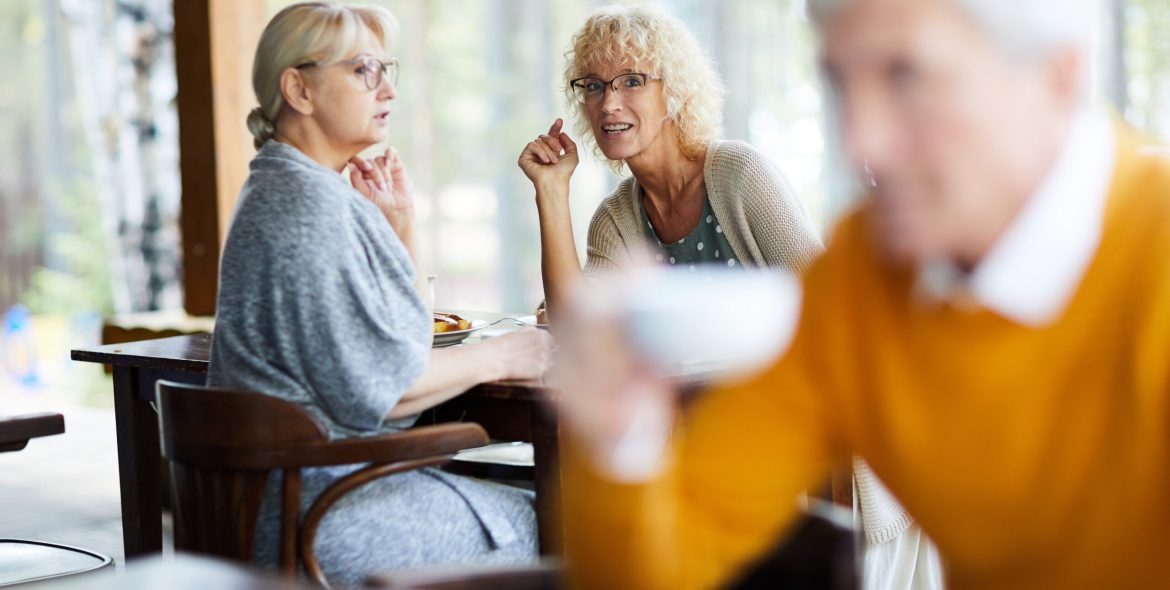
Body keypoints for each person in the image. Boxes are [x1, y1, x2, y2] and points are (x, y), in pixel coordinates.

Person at [554, 0, 1170, 588]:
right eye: (841, 85)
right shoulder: (858, 281)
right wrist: (622, 440)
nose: (861, 142)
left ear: (1056, 78)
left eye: (906, 76)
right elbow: (661, 565)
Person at [206, 2, 552, 586]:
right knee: (574, 522)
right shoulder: (310, 208)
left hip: (284, 500)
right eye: (365, 69)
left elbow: (395, 348)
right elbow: (387, 391)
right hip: (323, 512)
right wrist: (505, 353)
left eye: (389, 69)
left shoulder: (286, 186)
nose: (388, 87)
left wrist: (401, 229)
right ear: (299, 88)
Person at [517, 5, 823, 321]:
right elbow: (574, 326)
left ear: (675, 90)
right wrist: (551, 191)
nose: (608, 104)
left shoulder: (741, 174)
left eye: (632, 81)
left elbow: (831, 304)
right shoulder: (615, 220)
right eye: (594, 86)